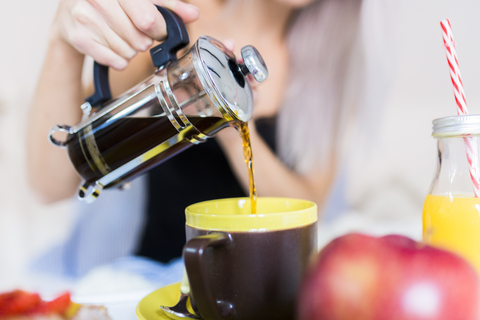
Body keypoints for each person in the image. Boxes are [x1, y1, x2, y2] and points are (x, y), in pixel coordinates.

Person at [27, 0, 396, 278]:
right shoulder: (178, 20)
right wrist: (63, 43)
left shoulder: (328, 67)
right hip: (155, 276)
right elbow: (51, 181)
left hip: (256, 285)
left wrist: (227, 117)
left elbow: (307, 206)